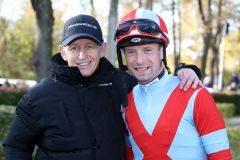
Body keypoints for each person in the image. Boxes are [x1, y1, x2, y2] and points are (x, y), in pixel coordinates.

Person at [3, 14, 201, 160]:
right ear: (63, 52)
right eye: (74, 48)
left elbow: (159, 88)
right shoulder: (38, 96)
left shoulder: (124, 84)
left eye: (90, 46)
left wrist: (187, 71)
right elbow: (15, 146)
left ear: (103, 49)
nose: (82, 56)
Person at [114, 9, 232, 160]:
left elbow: (222, 156)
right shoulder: (126, 103)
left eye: (147, 50)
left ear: (162, 52)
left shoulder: (196, 94)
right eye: (131, 52)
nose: (139, 60)